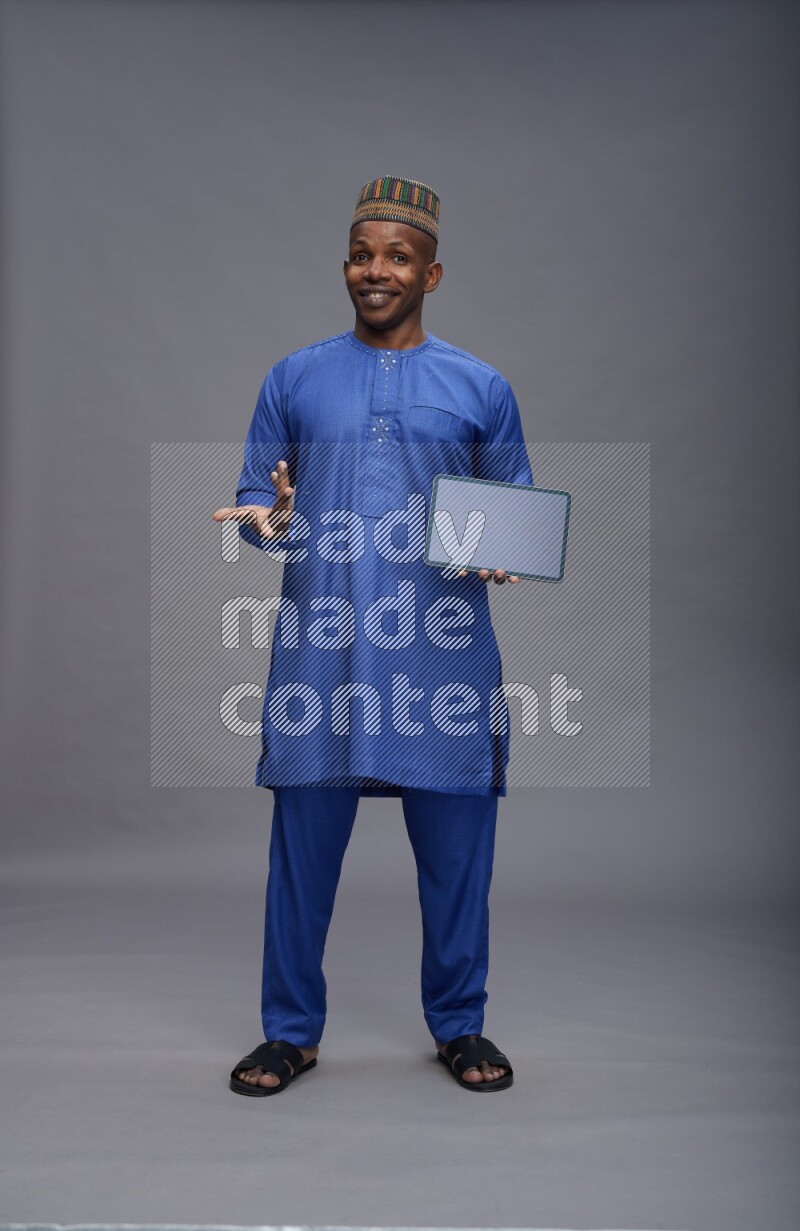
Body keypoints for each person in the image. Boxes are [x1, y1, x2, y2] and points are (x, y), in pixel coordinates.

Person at [212, 176, 532, 1094]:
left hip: (442, 657)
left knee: (459, 855)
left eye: (397, 256)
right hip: (324, 655)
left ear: (432, 271)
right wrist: (262, 520)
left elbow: (510, 514)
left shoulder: (480, 386)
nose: (375, 271)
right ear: (345, 264)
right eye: (362, 254)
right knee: (301, 856)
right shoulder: (295, 377)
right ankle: (290, 1030)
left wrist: (503, 551)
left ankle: (460, 1025)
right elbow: (251, 503)